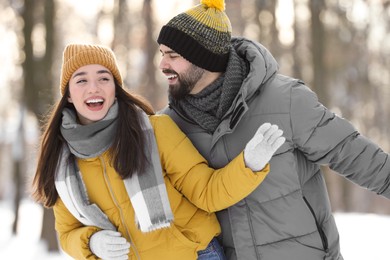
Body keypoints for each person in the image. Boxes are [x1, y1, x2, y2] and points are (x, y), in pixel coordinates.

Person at [156, 0, 390, 259]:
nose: (162, 65)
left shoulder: (283, 99)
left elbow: (350, 152)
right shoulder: (172, 126)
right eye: (161, 54)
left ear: (204, 57)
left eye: (173, 55)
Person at [31, 43, 285, 260]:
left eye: (103, 78)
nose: (94, 88)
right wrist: (91, 243)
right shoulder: (61, 161)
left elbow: (207, 192)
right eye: (82, 80)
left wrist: (249, 164)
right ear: (69, 96)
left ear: (115, 89)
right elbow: (67, 233)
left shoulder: (155, 131)